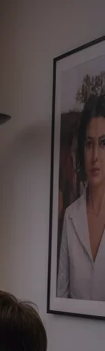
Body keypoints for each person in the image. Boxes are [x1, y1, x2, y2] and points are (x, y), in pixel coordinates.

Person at [57, 94, 105, 300]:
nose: (95, 156)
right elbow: (61, 293)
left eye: (103, 143)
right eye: (89, 143)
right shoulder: (70, 216)